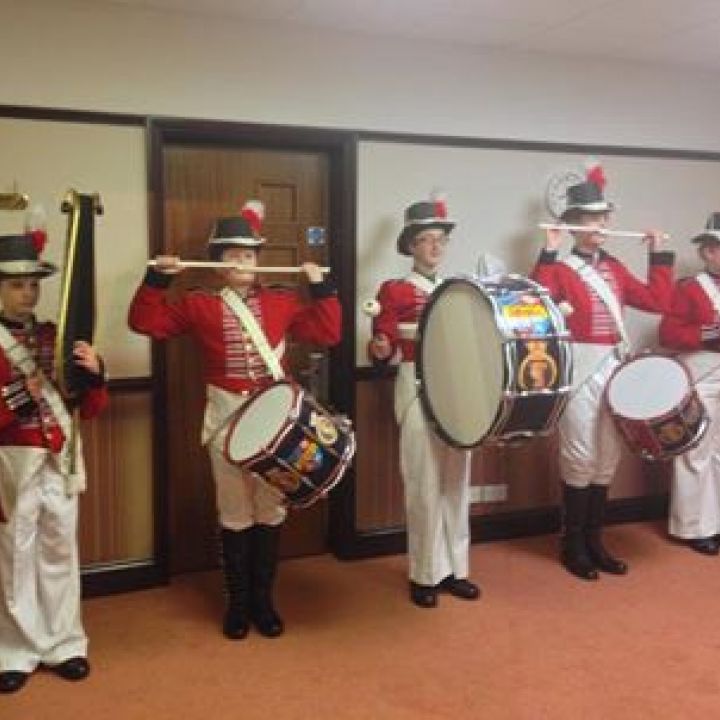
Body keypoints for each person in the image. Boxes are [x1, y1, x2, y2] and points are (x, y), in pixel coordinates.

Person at [128, 200, 341, 639]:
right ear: (217, 262)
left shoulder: (282, 300)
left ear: (258, 260)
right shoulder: (198, 303)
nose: (241, 262)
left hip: (277, 423)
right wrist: (158, 279)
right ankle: (238, 604)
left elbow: (328, 332)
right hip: (225, 417)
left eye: (248, 254)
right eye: (231, 254)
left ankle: (264, 602)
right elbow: (145, 322)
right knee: (234, 510)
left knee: (270, 509)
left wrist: (322, 288)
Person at [532, 168, 674, 581]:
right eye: (590, 218)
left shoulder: (616, 268)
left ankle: (596, 541)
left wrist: (658, 255)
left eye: (602, 217)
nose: (599, 224)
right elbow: (538, 302)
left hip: (612, 364)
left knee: (607, 455)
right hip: (579, 366)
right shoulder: (561, 269)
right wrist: (548, 252)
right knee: (579, 452)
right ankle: (572, 543)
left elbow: (658, 301)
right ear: (575, 224)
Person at [0, 231, 108, 694]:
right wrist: (19, 396)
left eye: (33, 284)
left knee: (60, 549)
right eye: (16, 284)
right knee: (15, 556)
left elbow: (90, 407)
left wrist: (95, 374)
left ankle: (64, 644)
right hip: (13, 459)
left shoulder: (54, 335)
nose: (28, 293)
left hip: (60, 455)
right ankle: (15, 650)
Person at [368, 196, 480, 608]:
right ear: (411, 246)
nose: (435, 247)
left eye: (440, 240)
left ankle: (456, 570)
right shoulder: (394, 289)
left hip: (456, 389)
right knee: (423, 482)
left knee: (457, 481)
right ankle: (424, 573)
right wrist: (381, 346)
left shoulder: (459, 289)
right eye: (426, 239)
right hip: (415, 383)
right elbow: (383, 339)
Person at [659, 213, 720, 555]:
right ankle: (694, 526)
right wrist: (712, 332)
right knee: (695, 449)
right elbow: (668, 334)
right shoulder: (689, 288)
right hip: (702, 368)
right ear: (708, 251)